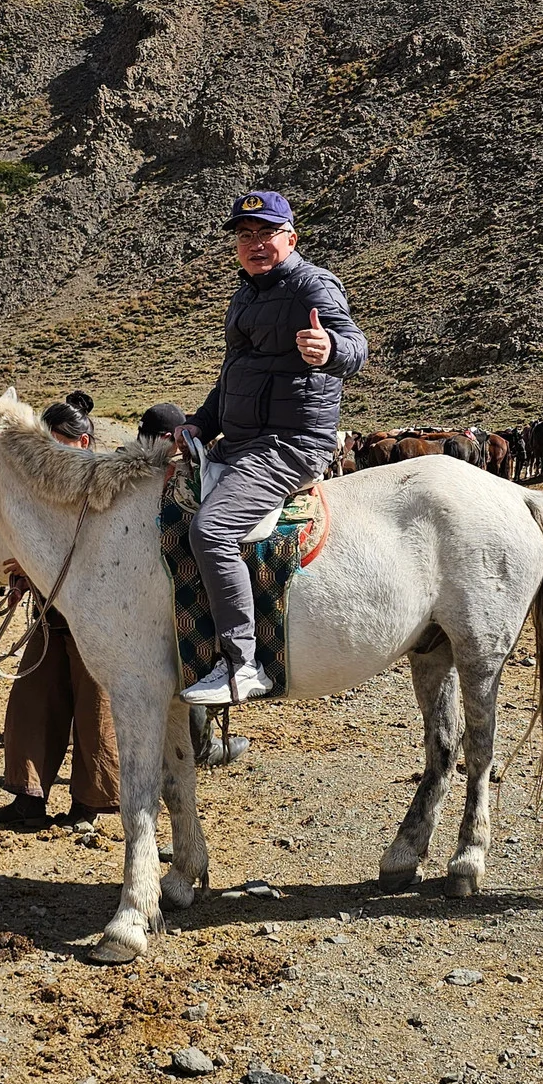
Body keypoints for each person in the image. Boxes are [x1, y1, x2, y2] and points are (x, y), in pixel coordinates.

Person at [175, 191, 367, 705]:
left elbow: (354, 346)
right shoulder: (247, 294)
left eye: (265, 233)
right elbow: (233, 377)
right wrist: (201, 423)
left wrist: (329, 352)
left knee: (211, 530)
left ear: (290, 238)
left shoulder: (313, 284)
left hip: (290, 444)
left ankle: (243, 662)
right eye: (244, 235)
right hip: (239, 441)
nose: (254, 244)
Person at [0, 392, 122, 831]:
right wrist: (26, 571)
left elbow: (104, 553)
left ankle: (89, 804)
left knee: (94, 707)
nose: (51, 450)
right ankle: (27, 799)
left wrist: (37, 566)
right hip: (49, 614)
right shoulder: (42, 489)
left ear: (83, 443)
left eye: (59, 441)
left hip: (94, 617)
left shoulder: (104, 486)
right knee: (32, 701)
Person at [137, 401, 249, 768]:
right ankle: (203, 746)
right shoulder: (176, 480)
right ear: (172, 439)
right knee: (193, 646)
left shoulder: (128, 471)